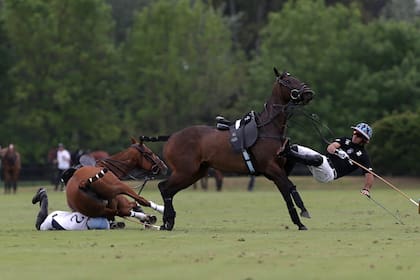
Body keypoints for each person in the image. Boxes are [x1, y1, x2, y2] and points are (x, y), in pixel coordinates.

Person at [283, 122, 374, 202]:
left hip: (329, 173)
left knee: (318, 159)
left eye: (358, 135)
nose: (355, 135)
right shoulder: (345, 140)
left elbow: (369, 174)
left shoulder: (363, 156)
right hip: (324, 161)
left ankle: (287, 153)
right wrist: (337, 152)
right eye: (355, 132)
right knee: (295, 148)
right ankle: (283, 176)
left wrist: (366, 189)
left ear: (364, 140)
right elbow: (330, 148)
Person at [31, 188, 157, 230]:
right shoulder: (98, 219)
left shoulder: (93, 212)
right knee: (39, 226)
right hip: (56, 220)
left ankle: (43, 196)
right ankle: (43, 196)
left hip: (61, 217)